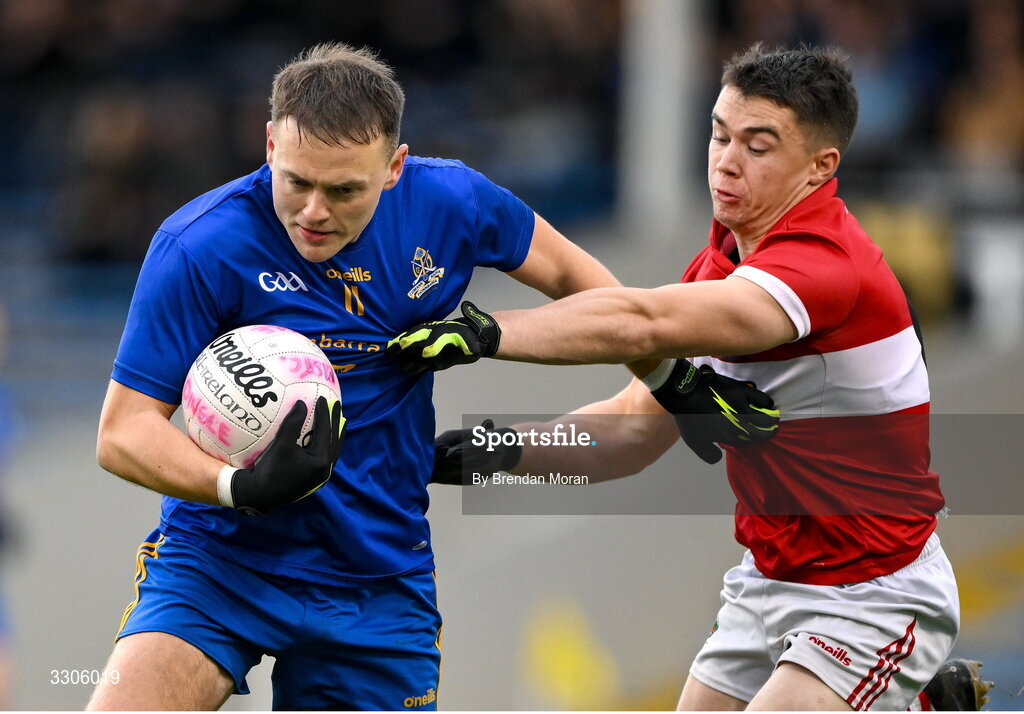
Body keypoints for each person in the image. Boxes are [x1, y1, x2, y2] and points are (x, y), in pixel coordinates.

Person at [89, 42, 770, 711]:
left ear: (394, 167)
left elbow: (574, 281)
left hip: (376, 576)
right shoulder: (201, 245)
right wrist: (236, 485)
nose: (313, 211)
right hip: (219, 565)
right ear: (270, 146)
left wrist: (665, 378)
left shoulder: (451, 204)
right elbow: (121, 433)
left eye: (344, 189)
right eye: (296, 181)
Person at [388, 43, 964, 711]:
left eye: (758, 145)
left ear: (820, 167)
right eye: (720, 134)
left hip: (875, 592)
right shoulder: (718, 263)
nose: (726, 160)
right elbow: (633, 432)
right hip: (768, 582)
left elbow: (642, 324)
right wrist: (491, 454)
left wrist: (486, 334)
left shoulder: (826, 268)